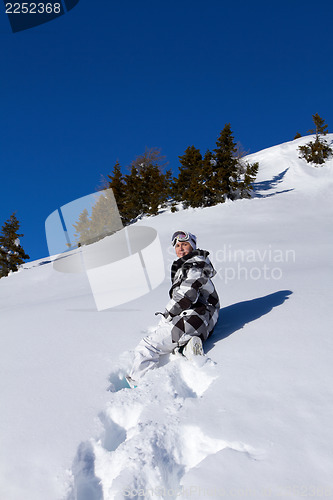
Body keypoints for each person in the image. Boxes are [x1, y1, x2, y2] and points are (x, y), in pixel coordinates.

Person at [126, 230, 220, 387]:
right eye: (177, 246)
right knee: (173, 336)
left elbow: (187, 294)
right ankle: (187, 348)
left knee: (148, 346)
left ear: (193, 246)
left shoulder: (195, 266)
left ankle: (138, 384)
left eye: (184, 244)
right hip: (204, 321)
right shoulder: (192, 264)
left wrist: (167, 314)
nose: (180, 249)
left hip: (195, 317)